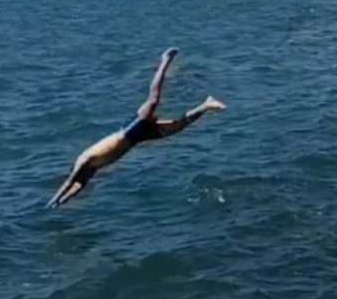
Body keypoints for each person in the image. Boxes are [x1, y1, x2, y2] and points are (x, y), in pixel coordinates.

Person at [46, 48, 226, 208]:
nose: (82, 177)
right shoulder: (92, 169)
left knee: (153, 99)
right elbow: (79, 185)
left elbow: (69, 182)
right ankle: (206, 105)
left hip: (129, 130)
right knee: (178, 126)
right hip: (137, 138)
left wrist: (55, 199)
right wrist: (64, 200)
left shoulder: (84, 160)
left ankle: (165, 60)